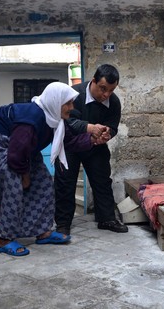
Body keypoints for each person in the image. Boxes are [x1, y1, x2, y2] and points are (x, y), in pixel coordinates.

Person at [0, 82, 100, 257]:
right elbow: (15, 157)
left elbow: (68, 142)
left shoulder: (55, 119)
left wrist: (92, 140)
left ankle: (43, 231)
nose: (72, 107)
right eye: (68, 103)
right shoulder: (32, 119)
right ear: (56, 102)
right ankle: (4, 239)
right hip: (0, 141)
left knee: (44, 181)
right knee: (12, 182)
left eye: (72, 103)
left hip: (22, 147)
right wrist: (25, 176)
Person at [54, 64, 128, 234]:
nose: (106, 95)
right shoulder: (73, 95)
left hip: (96, 147)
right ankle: (63, 223)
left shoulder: (114, 102)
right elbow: (68, 122)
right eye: (103, 89)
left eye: (111, 90)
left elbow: (113, 126)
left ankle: (107, 218)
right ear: (93, 81)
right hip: (70, 146)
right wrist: (90, 128)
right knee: (65, 183)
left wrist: (108, 134)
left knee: (102, 181)